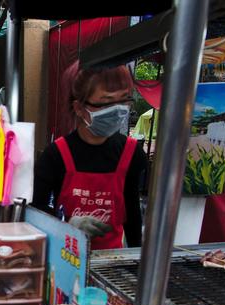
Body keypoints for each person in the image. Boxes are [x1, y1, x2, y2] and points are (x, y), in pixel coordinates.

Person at [32, 64, 148, 249]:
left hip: (111, 261)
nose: (118, 110)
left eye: (124, 100)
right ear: (79, 107)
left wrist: (137, 260)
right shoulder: (55, 155)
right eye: (107, 102)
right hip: (65, 257)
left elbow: (133, 214)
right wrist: (66, 223)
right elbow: (35, 212)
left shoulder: (131, 152)